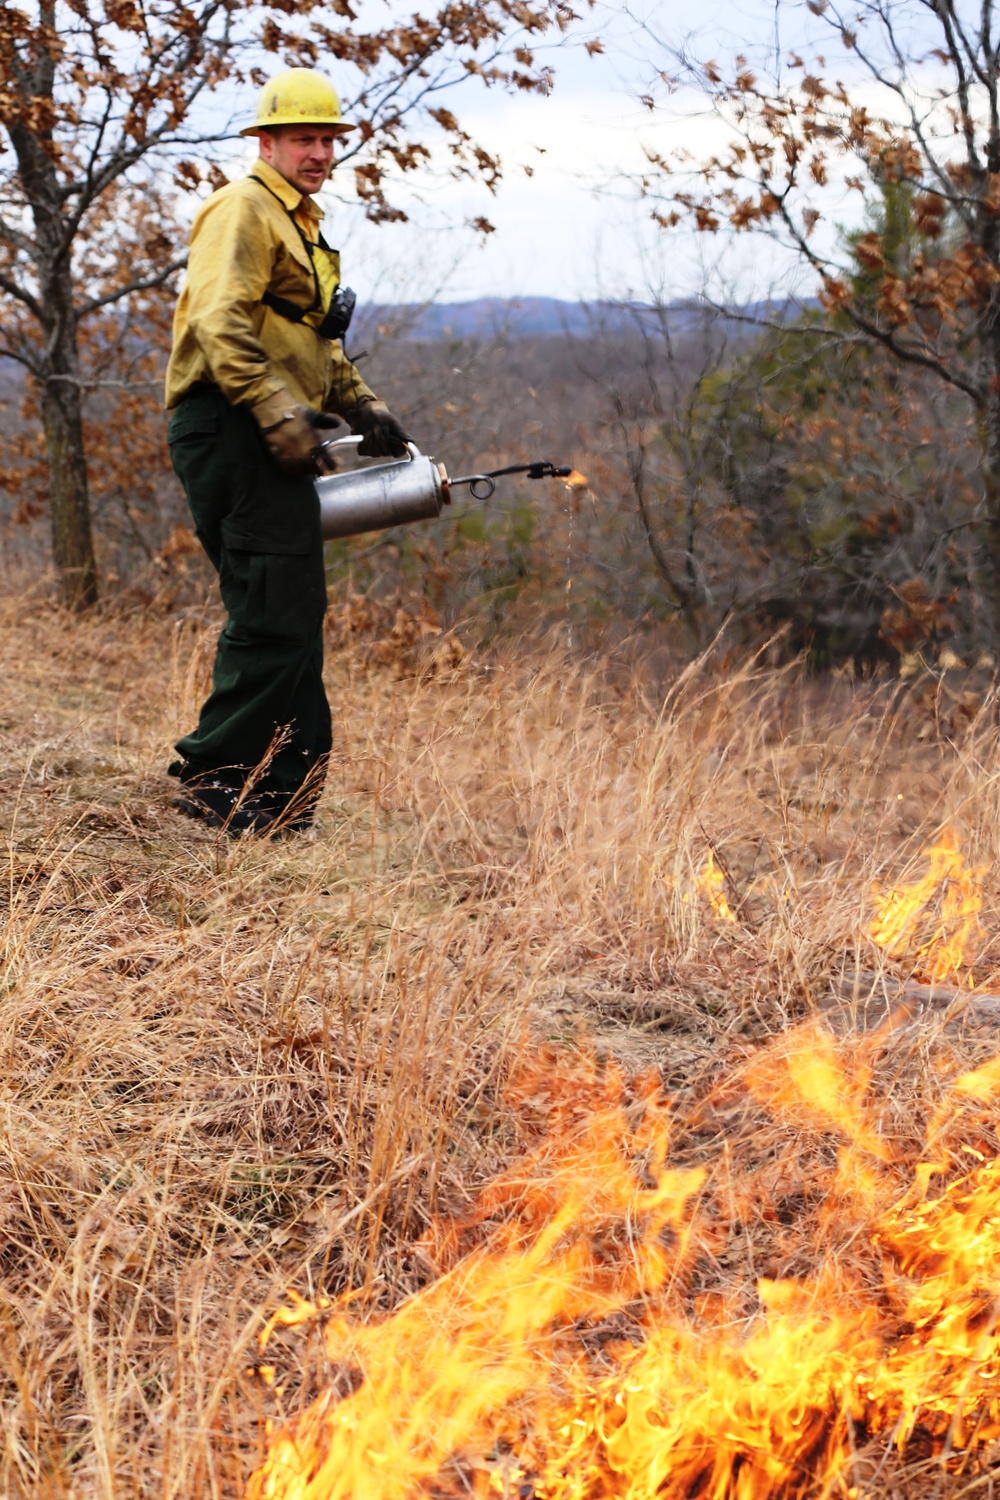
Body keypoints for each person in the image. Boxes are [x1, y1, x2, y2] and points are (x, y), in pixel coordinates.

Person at [164, 68, 410, 836]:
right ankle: (216, 782)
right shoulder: (245, 207)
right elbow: (217, 321)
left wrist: (362, 404)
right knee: (272, 606)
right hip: (232, 423)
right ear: (266, 141)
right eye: (303, 137)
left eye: (328, 138)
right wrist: (276, 411)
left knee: (293, 607)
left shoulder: (303, 225)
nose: (319, 151)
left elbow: (311, 343)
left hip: (269, 429)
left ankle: (281, 795)